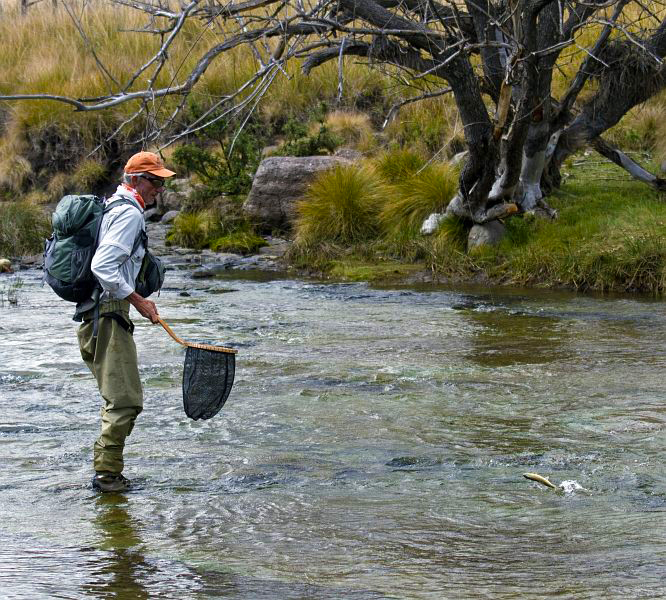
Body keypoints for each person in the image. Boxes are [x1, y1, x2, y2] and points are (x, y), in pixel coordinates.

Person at [75, 151, 175, 493]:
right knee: (126, 401)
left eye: (162, 182)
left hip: (99, 314)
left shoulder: (114, 206)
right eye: (155, 181)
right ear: (134, 180)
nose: (159, 189)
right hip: (108, 313)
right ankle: (107, 478)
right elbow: (102, 268)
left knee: (119, 399)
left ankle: (108, 474)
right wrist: (140, 301)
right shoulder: (128, 214)